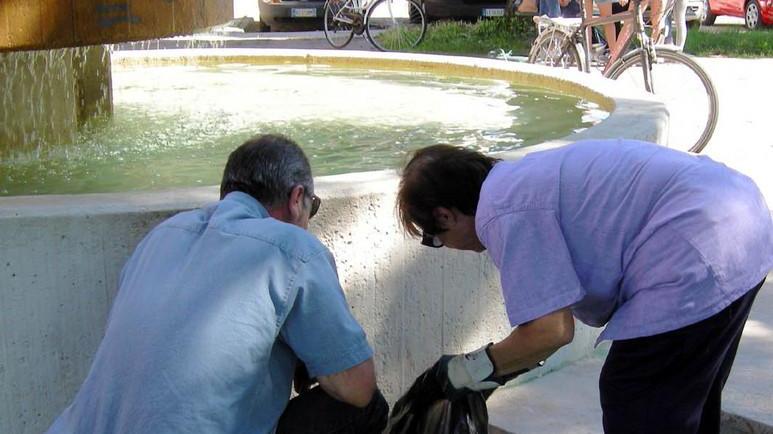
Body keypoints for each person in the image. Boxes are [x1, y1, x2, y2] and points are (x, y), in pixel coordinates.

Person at [396, 139, 773, 433]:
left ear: (445, 216)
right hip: (742, 224)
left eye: (434, 238)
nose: (448, 247)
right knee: (686, 398)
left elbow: (550, 331)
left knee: (634, 395)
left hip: (697, 247)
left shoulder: (502, 210)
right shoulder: (521, 180)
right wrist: (490, 371)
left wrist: (461, 373)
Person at [46, 134, 388, 434]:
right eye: (313, 207)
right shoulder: (294, 249)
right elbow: (357, 387)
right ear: (297, 198)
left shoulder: (161, 236)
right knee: (367, 407)